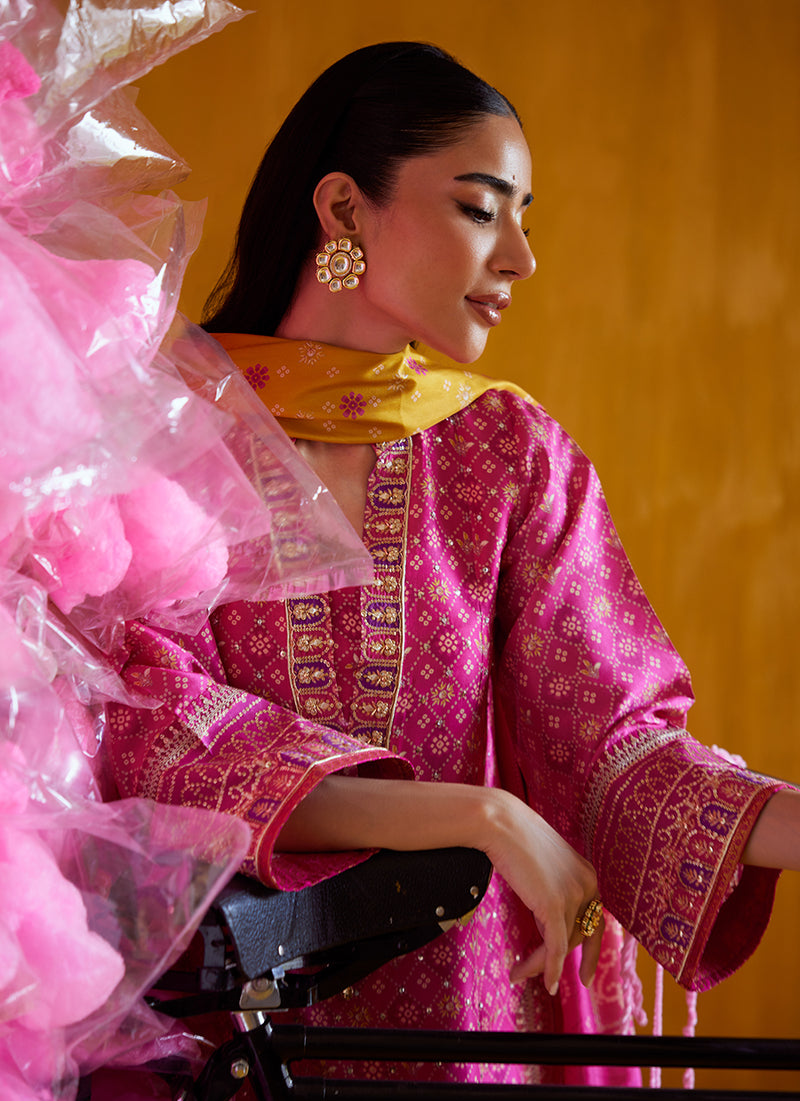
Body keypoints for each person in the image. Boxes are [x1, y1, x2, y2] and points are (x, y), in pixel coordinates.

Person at [105, 42, 800, 1086]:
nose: (519, 255)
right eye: (482, 209)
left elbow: (612, 744)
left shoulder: (507, 452)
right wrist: (476, 812)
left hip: (467, 1033)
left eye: (525, 216)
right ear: (342, 211)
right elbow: (143, 724)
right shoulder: (155, 431)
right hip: (219, 1043)